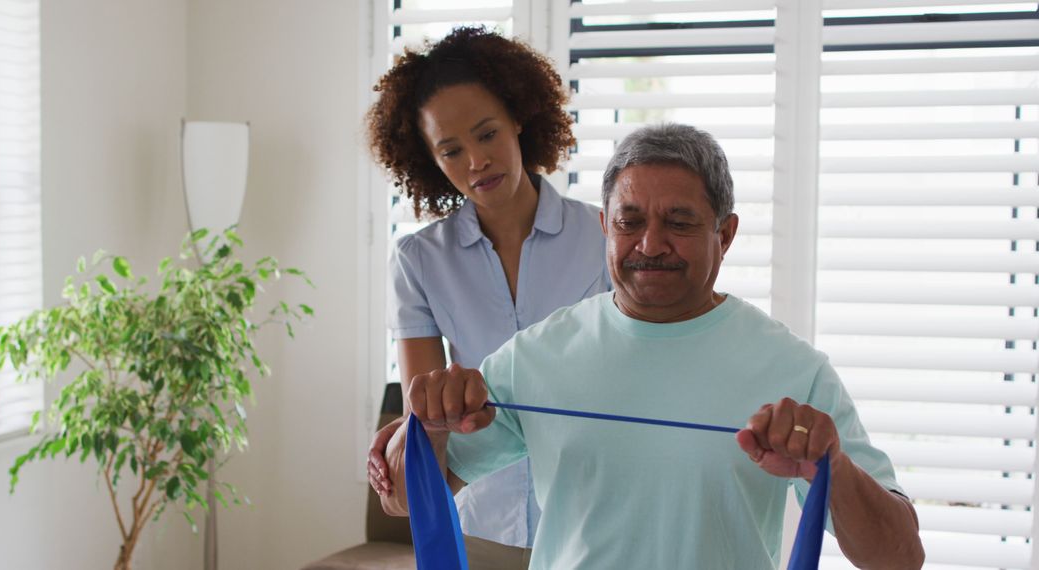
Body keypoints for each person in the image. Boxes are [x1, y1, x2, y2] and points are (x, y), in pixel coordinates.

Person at [379, 124, 925, 569]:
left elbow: (899, 558)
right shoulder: (536, 355)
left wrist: (834, 466)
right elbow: (405, 498)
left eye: (680, 222)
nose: (650, 244)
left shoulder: (793, 369)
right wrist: (425, 425)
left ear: (726, 234)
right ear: (604, 228)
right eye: (629, 222)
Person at [363, 27, 611, 568]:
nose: (476, 161)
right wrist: (408, 442)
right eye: (451, 149)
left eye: (487, 134)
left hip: (594, 528)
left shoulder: (603, 238)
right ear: (431, 159)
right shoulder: (419, 263)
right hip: (482, 530)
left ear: (519, 119)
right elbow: (422, 421)